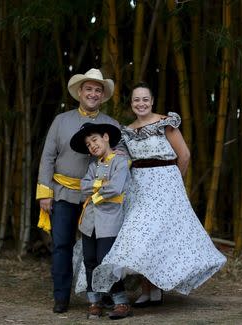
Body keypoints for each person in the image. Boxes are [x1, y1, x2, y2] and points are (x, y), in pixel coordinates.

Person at [89, 82, 227, 306]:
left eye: (145, 99)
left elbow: (184, 155)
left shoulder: (166, 123)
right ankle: (147, 290)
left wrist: (173, 184)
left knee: (159, 238)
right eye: (136, 100)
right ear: (131, 104)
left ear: (152, 101)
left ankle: (157, 289)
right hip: (139, 188)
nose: (141, 103)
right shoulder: (127, 132)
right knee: (141, 237)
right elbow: (120, 159)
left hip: (166, 186)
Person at [36, 68, 121, 314]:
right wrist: (45, 193)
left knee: (99, 250)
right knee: (62, 245)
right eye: (89, 89)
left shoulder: (111, 125)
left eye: (97, 90)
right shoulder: (61, 121)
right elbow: (47, 157)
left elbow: (121, 157)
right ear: (80, 92)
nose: (93, 94)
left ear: (102, 95)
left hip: (99, 199)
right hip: (63, 192)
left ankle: (103, 297)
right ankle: (61, 297)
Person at [69, 122, 132, 320]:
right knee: (90, 262)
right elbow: (83, 186)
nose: (92, 146)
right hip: (89, 222)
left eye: (94, 140)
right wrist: (100, 184)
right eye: (88, 144)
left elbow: (115, 188)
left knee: (107, 262)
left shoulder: (120, 162)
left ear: (105, 137)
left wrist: (95, 191)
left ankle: (120, 301)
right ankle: (94, 301)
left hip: (110, 221)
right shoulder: (93, 166)